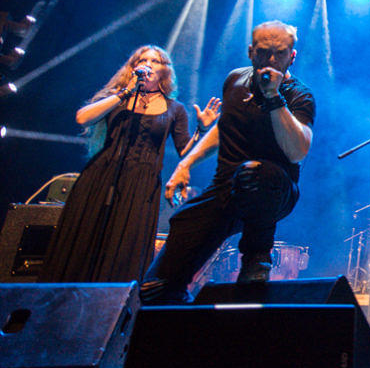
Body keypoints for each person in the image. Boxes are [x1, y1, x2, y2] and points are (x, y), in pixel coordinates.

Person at [140, 21, 314, 303]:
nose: (271, 60)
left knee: (253, 174)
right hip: (227, 189)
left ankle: (257, 258)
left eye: (280, 53)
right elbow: (224, 127)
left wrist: (273, 97)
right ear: (250, 52)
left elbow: (297, 151)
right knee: (156, 285)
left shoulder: (299, 95)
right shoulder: (234, 81)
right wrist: (185, 164)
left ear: (292, 56)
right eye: (263, 52)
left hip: (274, 190)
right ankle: (175, 306)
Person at [39, 45, 220, 282]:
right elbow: (83, 117)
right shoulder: (119, 97)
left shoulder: (175, 109)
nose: (147, 65)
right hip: (101, 175)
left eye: (154, 61)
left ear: (165, 70)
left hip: (142, 184)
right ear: (133, 67)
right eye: (142, 60)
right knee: (84, 236)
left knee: (124, 246)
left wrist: (202, 130)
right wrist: (125, 92)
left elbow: (185, 152)